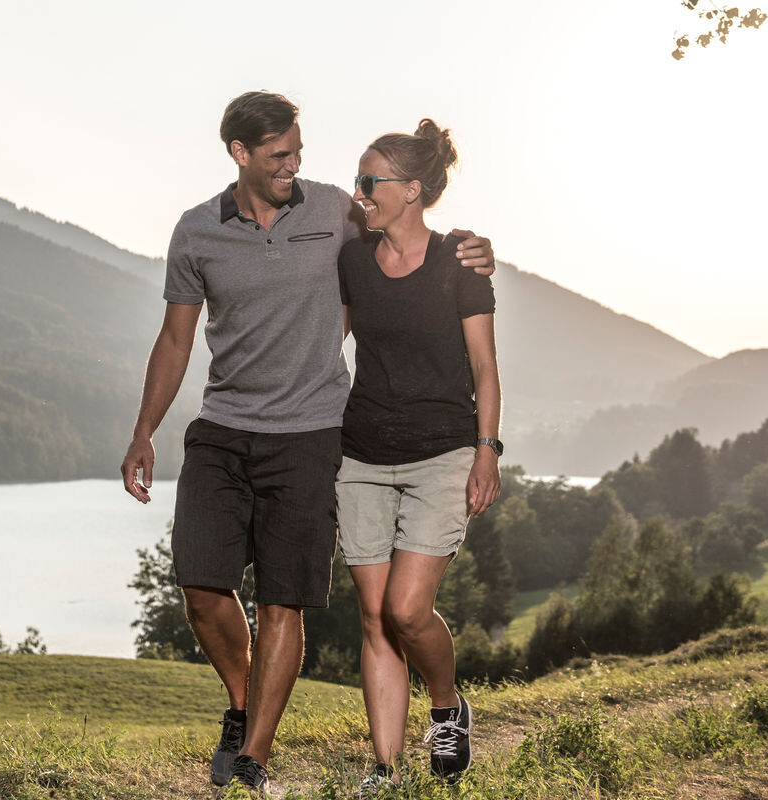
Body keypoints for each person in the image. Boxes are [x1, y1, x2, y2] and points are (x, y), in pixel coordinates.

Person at [120, 92, 493, 796]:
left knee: (284, 602)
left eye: (297, 150)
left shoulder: (332, 210)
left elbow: (410, 232)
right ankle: (243, 703)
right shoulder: (197, 231)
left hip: (313, 433)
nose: (294, 165)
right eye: (278, 155)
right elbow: (175, 339)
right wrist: (144, 430)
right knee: (201, 587)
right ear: (240, 154)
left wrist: (476, 249)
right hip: (223, 427)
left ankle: (253, 758)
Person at [335, 119, 500, 796]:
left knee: (406, 610)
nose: (359, 193)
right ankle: (385, 768)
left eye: (369, 182)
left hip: (442, 453)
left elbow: (485, 369)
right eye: (357, 181)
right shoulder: (351, 260)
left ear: (410, 190)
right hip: (362, 455)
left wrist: (487, 451)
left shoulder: (459, 262)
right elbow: (325, 344)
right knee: (374, 618)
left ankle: (446, 704)